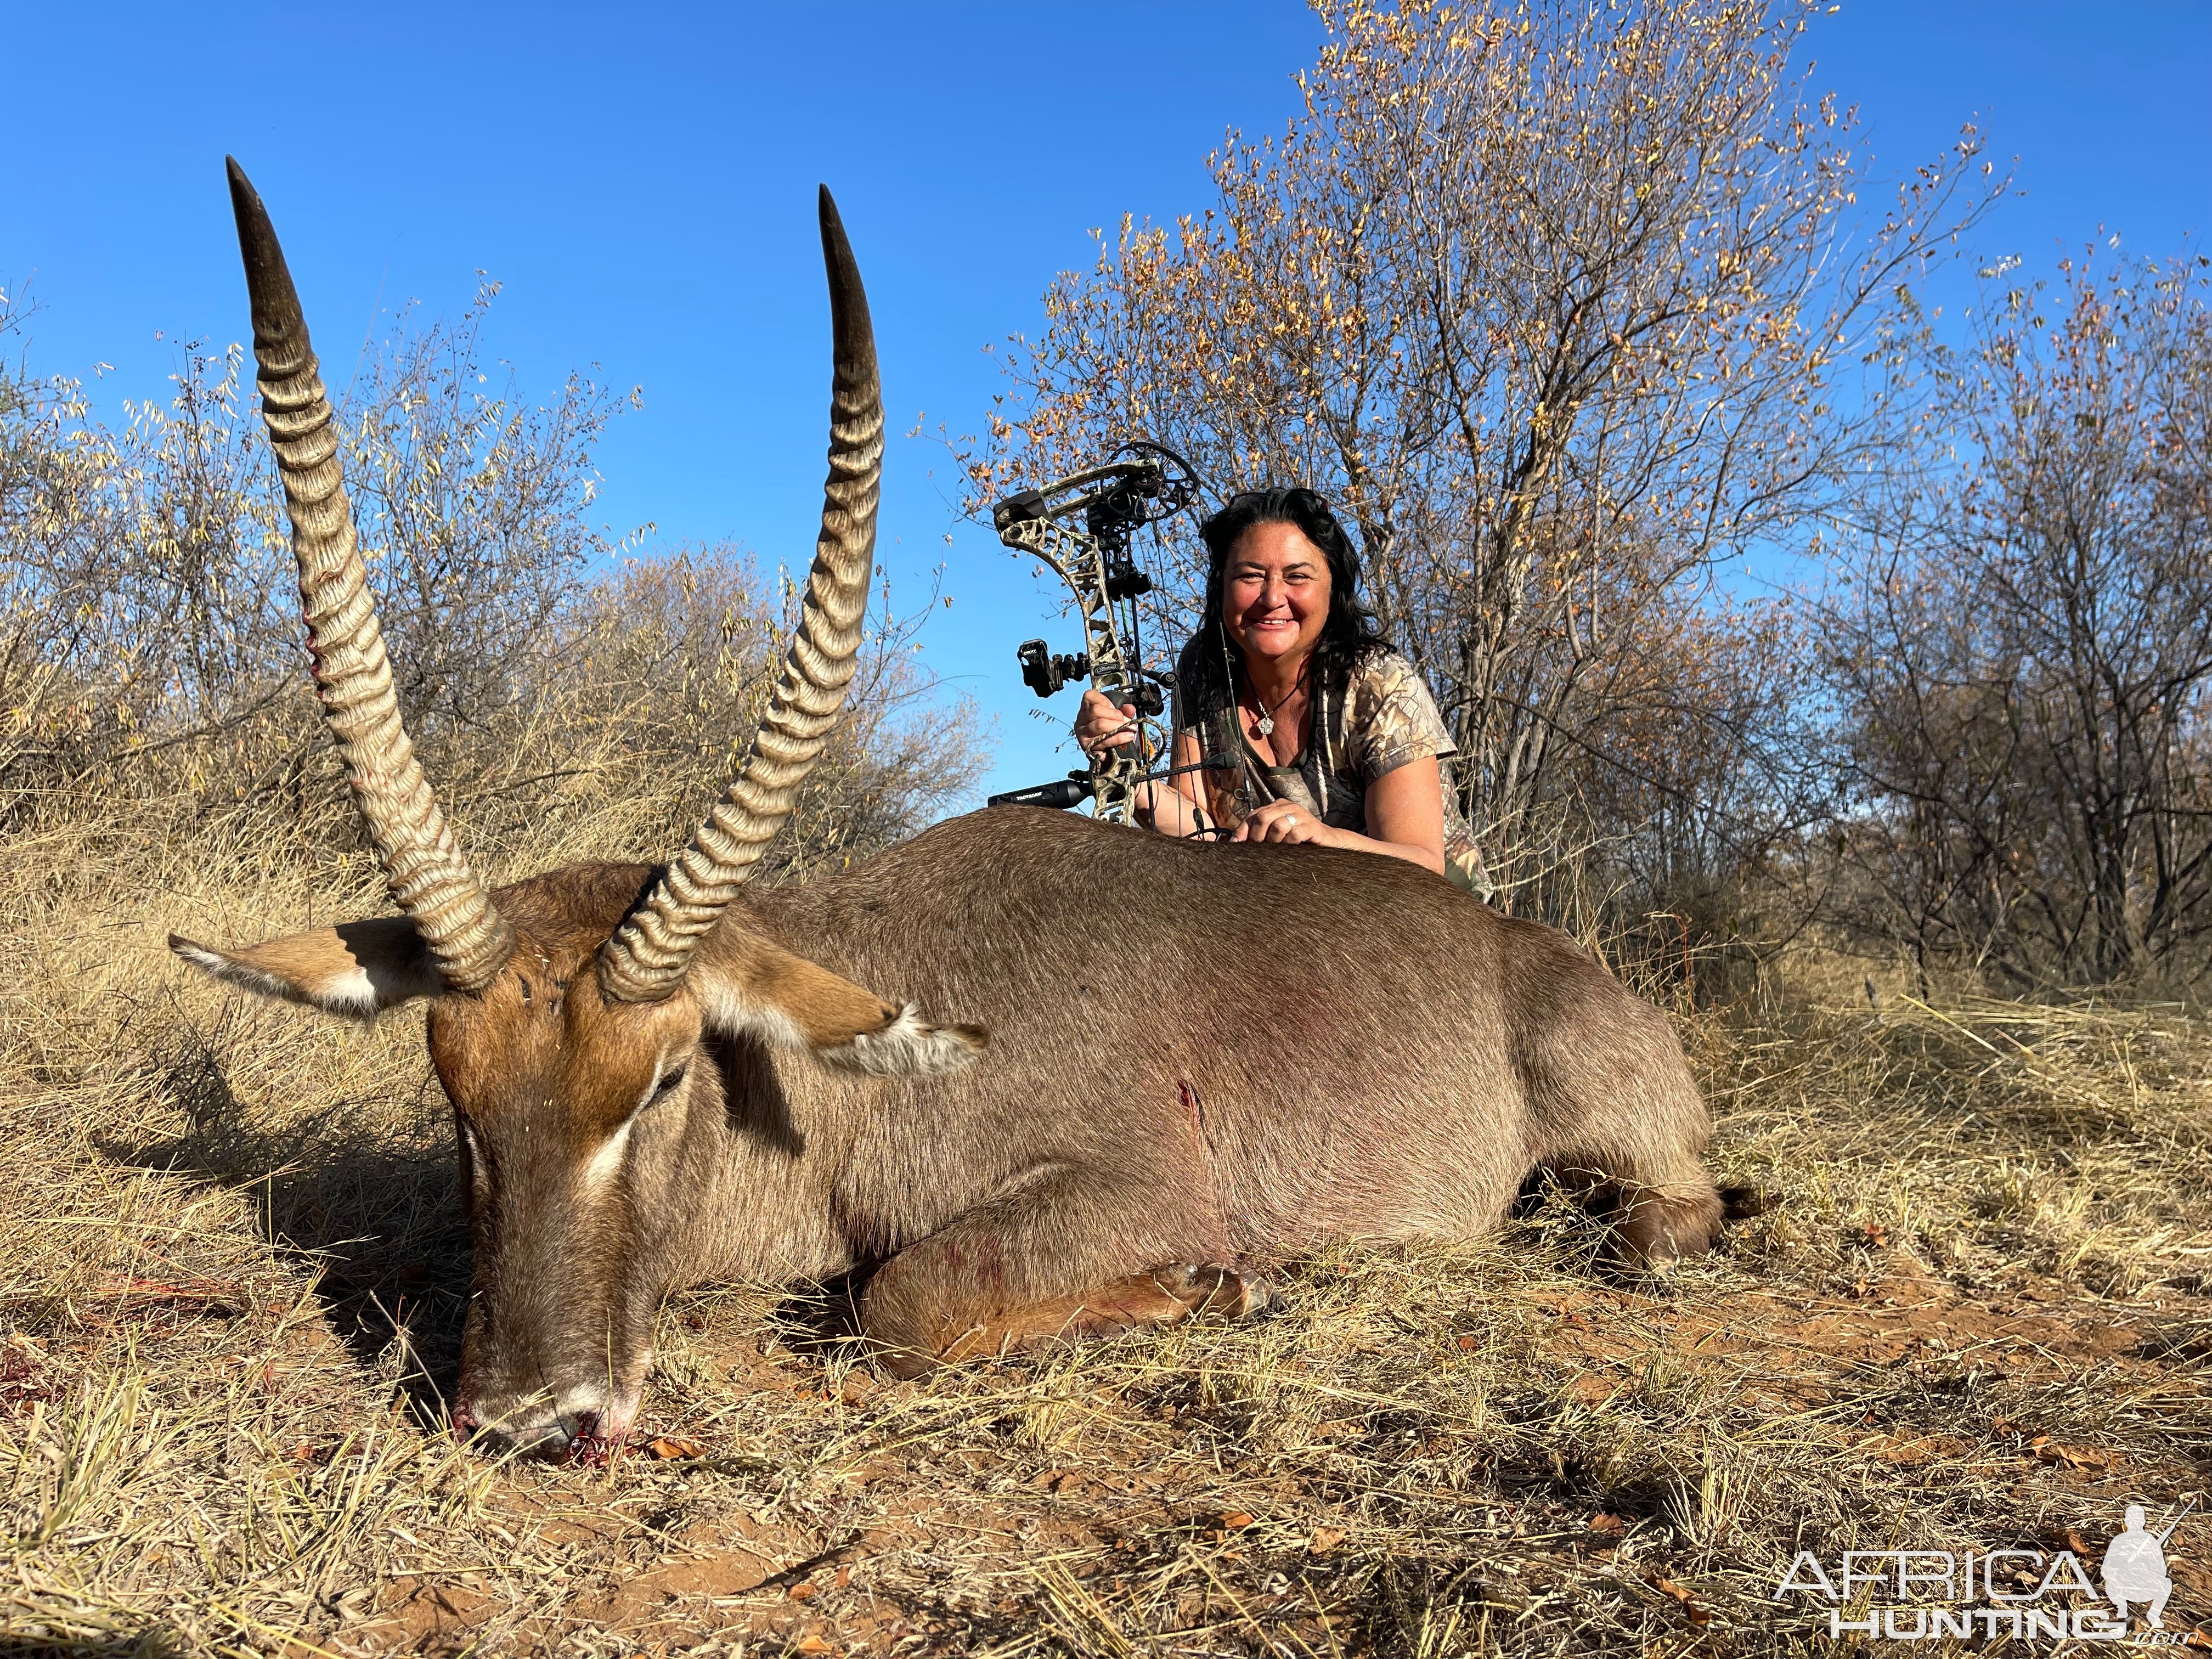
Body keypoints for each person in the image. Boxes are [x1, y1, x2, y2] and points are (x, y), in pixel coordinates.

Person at [1076, 486, 1491, 897]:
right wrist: (1127, 775)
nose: (1273, 598)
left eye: (1297, 577)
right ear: (1222, 585)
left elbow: (1421, 864)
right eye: (1250, 576)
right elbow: (1199, 838)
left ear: (1333, 590)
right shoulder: (1202, 668)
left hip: (1435, 925)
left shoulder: (1380, 683)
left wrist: (1321, 840)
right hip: (1294, 916)